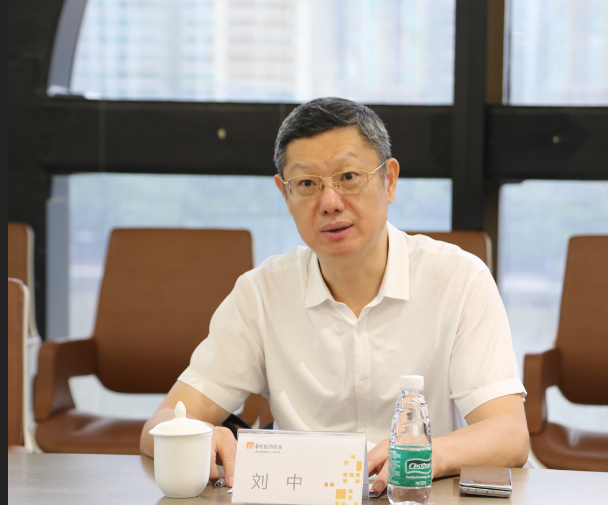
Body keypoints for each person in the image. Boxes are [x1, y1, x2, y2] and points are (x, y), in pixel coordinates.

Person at [140, 97, 529, 492]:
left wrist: (422, 454)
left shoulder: (458, 279)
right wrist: (196, 437)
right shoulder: (262, 293)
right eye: (307, 184)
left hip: (415, 495)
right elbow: (162, 422)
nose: (329, 203)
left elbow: (509, 434)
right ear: (285, 194)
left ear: (389, 180)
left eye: (349, 177)